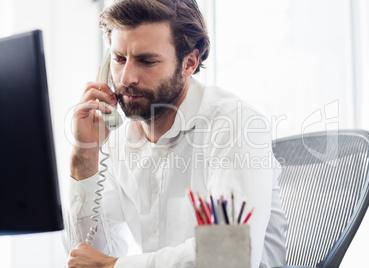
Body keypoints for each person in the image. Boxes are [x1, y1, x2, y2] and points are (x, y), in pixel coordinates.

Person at [63, 0, 288, 267]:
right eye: (119, 59)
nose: (126, 78)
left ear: (189, 63)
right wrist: (84, 157)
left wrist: (114, 266)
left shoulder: (234, 124)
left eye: (147, 61)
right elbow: (86, 254)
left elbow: (231, 254)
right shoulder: (119, 142)